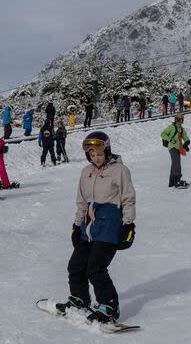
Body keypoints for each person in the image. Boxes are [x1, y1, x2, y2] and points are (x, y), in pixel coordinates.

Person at [56, 131, 136, 324]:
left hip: (109, 226)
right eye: (92, 155)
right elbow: (81, 202)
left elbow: (128, 199)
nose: (97, 158)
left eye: (100, 154)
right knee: (75, 266)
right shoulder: (86, 172)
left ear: (107, 151)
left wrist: (129, 225)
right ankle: (80, 299)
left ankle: (109, 306)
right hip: (88, 227)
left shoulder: (120, 171)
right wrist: (76, 225)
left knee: (95, 267)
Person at [161, 113, 190, 187]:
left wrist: (186, 142)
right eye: (177, 119)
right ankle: (175, 180)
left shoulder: (181, 129)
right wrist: (170, 139)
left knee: (177, 164)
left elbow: (185, 137)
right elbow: (163, 134)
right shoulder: (171, 127)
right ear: (175, 120)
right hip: (172, 147)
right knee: (176, 163)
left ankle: (175, 180)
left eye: (180, 120)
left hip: (178, 147)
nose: (179, 121)